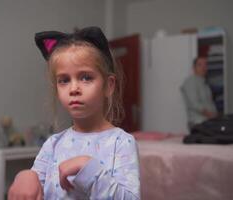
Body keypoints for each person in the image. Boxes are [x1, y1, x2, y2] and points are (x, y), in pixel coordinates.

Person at [8, 27, 140, 200]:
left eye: (86, 77)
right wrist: (25, 176)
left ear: (109, 86)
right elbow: (34, 188)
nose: (74, 88)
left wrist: (89, 168)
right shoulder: (52, 145)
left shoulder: (121, 143)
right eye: (64, 80)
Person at [180, 57, 218, 129]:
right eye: (200, 65)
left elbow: (209, 102)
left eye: (205, 65)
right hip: (199, 123)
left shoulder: (204, 84)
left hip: (209, 122)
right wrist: (210, 115)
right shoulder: (191, 82)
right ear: (194, 68)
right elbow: (195, 104)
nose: (203, 67)